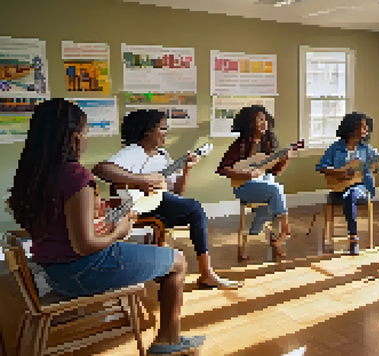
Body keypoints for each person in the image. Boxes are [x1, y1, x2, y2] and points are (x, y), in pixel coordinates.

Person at [7, 99, 205, 354]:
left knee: (163, 256)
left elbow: (61, 223)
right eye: (87, 133)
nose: (87, 140)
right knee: (177, 262)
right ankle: (168, 341)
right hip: (81, 272)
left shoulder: (35, 175)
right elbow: (86, 244)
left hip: (52, 272)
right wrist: (119, 232)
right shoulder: (76, 176)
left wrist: (100, 212)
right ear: (76, 138)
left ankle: (169, 338)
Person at [92, 109, 239, 290]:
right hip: (139, 206)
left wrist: (186, 169)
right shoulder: (134, 151)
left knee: (195, 213)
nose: (166, 133)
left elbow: (177, 193)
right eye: (162, 128)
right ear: (147, 131)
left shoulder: (163, 155)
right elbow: (101, 169)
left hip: (158, 204)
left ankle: (205, 272)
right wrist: (142, 180)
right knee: (195, 208)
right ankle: (205, 272)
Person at [216, 106, 292, 257]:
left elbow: (275, 170)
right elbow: (223, 169)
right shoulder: (240, 145)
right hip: (244, 186)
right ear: (250, 124)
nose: (264, 123)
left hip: (265, 185)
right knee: (276, 189)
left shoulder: (268, 143)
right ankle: (284, 229)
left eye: (265, 120)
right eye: (260, 120)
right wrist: (246, 175)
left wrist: (286, 160)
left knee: (272, 185)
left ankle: (257, 230)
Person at [316, 112, 379, 255]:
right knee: (347, 194)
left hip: (361, 187)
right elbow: (321, 167)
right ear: (351, 128)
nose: (365, 130)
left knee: (351, 195)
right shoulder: (335, 148)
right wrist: (339, 173)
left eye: (365, 128)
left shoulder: (367, 149)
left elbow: (377, 166)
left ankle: (353, 238)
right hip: (338, 187)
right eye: (362, 127)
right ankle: (346, 237)